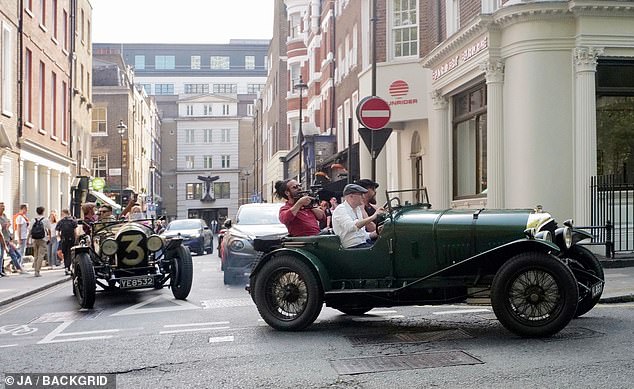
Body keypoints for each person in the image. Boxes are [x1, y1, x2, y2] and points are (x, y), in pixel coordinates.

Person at [332, 184, 385, 249]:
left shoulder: (357, 209)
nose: (363, 197)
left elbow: (362, 235)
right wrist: (373, 216)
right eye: (361, 194)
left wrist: (376, 232)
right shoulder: (340, 209)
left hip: (362, 244)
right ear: (351, 196)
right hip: (351, 248)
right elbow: (352, 227)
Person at [28, 206, 52, 277]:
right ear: (43, 211)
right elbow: (49, 229)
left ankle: (35, 270)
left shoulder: (33, 220)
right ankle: (37, 271)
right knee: (41, 255)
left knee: (35, 255)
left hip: (34, 239)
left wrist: (28, 239)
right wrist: (49, 238)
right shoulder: (45, 220)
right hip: (43, 239)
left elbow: (30, 230)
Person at [56, 209, 77, 276]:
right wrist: (76, 239)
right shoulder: (73, 221)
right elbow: (75, 231)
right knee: (70, 253)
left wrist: (60, 238)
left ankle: (66, 267)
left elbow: (58, 232)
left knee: (65, 253)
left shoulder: (61, 222)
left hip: (64, 239)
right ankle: (69, 266)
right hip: (71, 239)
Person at [0, 202, 9, 276]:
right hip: (1, 237)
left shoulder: (4, 215)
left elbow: (7, 224)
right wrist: (3, 226)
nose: (3, 208)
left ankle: (2, 269)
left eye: (4, 206)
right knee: (1, 254)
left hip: (5, 236)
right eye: (1, 207)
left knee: (2, 255)